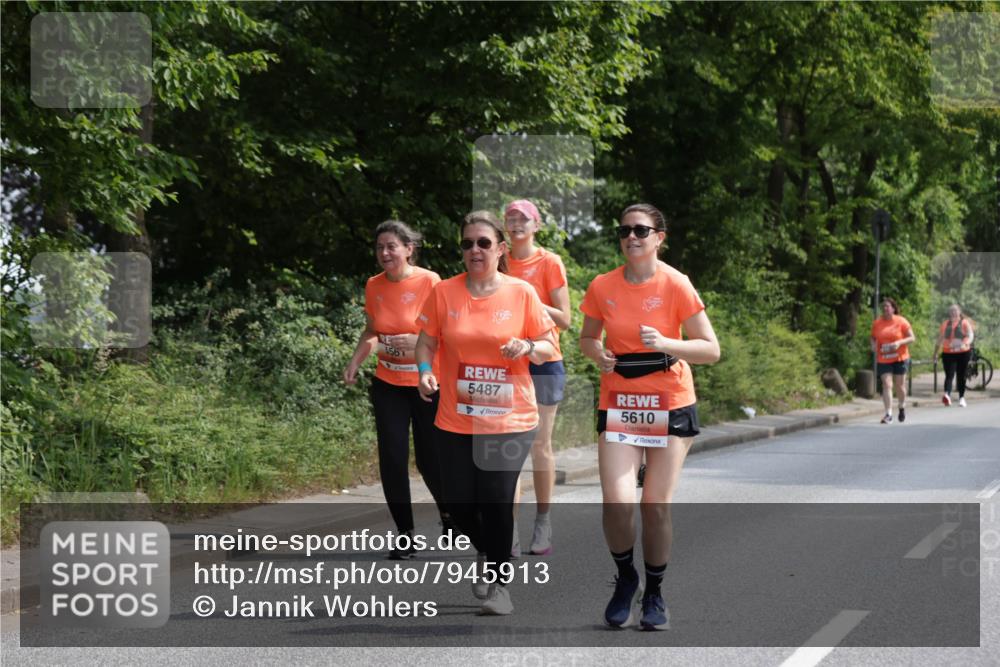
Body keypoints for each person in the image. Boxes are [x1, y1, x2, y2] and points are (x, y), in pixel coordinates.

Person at [579, 203, 720, 630]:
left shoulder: (675, 283)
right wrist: (598, 354)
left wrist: (666, 343)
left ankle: (655, 593)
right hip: (620, 402)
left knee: (654, 504)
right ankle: (626, 579)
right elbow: (587, 338)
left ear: (660, 236)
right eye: (624, 230)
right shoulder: (603, 286)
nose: (631, 237)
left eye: (641, 230)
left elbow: (711, 350)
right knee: (618, 502)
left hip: (670, 400)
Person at [415, 210, 557, 616]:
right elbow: (425, 344)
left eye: (483, 243)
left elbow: (549, 346)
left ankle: (499, 584)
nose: (474, 250)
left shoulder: (521, 293)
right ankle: (490, 551)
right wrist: (425, 372)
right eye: (467, 243)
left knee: (495, 500)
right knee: (457, 505)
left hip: (508, 418)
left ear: (500, 249)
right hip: (454, 417)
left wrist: (528, 347)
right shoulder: (444, 292)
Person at [343, 220, 451, 559]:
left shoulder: (430, 281)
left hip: (425, 383)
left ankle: (450, 515)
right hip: (388, 382)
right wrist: (355, 361)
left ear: (409, 248)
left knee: (430, 461)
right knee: (391, 458)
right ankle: (405, 534)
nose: (385, 253)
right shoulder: (373, 285)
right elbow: (373, 330)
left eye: (392, 246)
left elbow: (446, 332)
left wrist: (416, 341)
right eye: (380, 247)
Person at [503, 199, 572, 556]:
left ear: (537, 225)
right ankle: (508, 530)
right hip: (506, 362)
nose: (516, 224)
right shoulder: (498, 257)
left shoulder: (549, 262)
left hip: (544, 360)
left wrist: (528, 297)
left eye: (523, 219)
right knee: (508, 449)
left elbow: (565, 319)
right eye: (510, 218)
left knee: (539, 445)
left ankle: (543, 521)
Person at [870, 297, 916, 424]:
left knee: (900, 386)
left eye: (887, 306)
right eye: (883, 306)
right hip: (884, 358)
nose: (885, 308)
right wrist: (873, 345)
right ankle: (888, 414)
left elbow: (912, 338)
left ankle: (901, 406)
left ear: (893, 308)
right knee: (887, 384)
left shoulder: (901, 321)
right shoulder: (877, 323)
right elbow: (873, 338)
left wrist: (899, 342)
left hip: (900, 357)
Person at [934, 303, 974, 408]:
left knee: (961, 375)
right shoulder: (945, 324)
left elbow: (970, 335)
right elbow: (940, 339)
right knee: (949, 375)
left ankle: (961, 398)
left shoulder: (965, 323)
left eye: (955, 311)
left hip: (963, 353)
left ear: (959, 312)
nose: (953, 313)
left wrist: (966, 343)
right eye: (951, 311)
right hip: (948, 353)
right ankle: (947, 395)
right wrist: (935, 353)